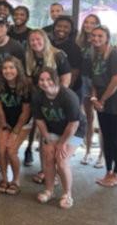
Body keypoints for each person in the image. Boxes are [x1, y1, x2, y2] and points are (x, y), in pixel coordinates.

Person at [33, 68, 86, 209]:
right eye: (41, 80)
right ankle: (49, 190)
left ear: (56, 79)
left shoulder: (68, 96)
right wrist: (47, 139)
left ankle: (67, 194)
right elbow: (39, 120)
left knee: (61, 160)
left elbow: (73, 124)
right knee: (48, 156)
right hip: (52, 130)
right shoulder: (38, 97)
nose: (45, 83)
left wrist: (62, 143)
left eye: (48, 79)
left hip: (75, 132)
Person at [86, 26, 117, 188]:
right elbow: (94, 81)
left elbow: (116, 81)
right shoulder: (95, 55)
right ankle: (108, 172)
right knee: (107, 138)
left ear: (107, 38)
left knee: (116, 140)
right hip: (101, 104)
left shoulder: (113, 54)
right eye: (93, 36)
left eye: (100, 36)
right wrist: (94, 99)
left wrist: (102, 100)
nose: (96, 38)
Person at [24, 29, 72, 174]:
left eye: (38, 39)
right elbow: (29, 80)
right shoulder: (29, 57)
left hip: (57, 101)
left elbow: (66, 78)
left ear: (45, 39)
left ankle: (57, 172)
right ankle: (45, 170)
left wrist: (56, 98)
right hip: (40, 101)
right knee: (43, 137)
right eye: (32, 40)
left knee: (56, 136)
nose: (35, 42)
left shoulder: (58, 55)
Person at [0, 56, 32, 195]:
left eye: (11, 67)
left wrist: (15, 132)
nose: (8, 71)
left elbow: (25, 113)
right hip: (5, 121)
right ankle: (4, 179)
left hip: (23, 123)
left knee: (11, 151)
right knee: (1, 150)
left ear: (18, 69)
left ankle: (16, 180)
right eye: (5, 68)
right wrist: (4, 124)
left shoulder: (26, 85)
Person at [77, 13, 103, 167]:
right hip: (84, 81)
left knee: (102, 120)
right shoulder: (79, 41)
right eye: (86, 22)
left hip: (99, 83)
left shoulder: (100, 40)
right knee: (88, 118)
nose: (89, 25)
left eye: (93, 22)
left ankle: (101, 155)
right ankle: (87, 151)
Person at [51, 16, 83, 93]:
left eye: (66, 27)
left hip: (69, 89)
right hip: (52, 86)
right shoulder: (49, 44)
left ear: (71, 30)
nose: (61, 29)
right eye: (59, 26)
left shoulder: (74, 48)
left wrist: (64, 92)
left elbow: (74, 74)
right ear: (54, 27)